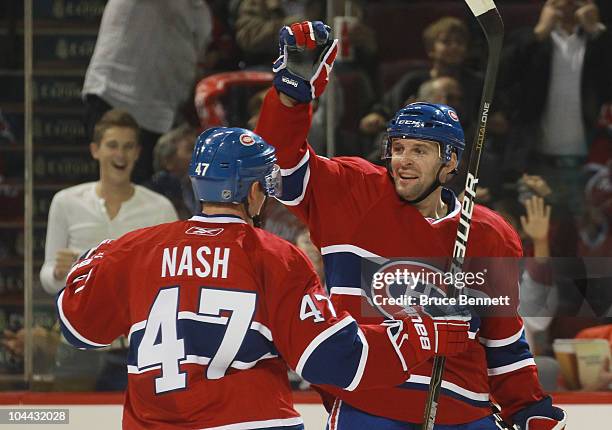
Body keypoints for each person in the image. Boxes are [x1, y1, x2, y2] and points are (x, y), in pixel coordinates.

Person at [255, 20, 567, 429]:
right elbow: (278, 164)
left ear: (451, 163)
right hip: (369, 403)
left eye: (419, 150)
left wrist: (526, 406)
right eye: (398, 148)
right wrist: (291, 96)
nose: (402, 160)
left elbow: (503, 340)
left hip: (463, 409)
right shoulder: (353, 192)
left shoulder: (489, 234)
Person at [56, 127, 477, 429]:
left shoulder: (136, 248)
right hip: (251, 423)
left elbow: (79, 329)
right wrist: (420, 335)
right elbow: (332, 360)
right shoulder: (275, 257)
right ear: (253, 191)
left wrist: (88, 263)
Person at [40, 109, 178, 391]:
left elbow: (174, 280)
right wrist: (57, 272)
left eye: (128, 147)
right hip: (76, 344)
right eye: (112, 145)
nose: (120, 155)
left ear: (138, 152)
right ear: (95, 150)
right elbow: (46, 277)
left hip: (139, 345)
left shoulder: (160, 208)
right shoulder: (65, 202)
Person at [82, 0, 213, 182]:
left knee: (149, 200)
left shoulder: (201, 11)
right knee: (117, 190)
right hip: (116, 99)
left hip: (163, 117)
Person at [500, 0, 612, 212]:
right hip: (536, 164)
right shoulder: (529, 39)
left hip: (592, 167)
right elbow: (501, 76)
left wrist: (597, 31)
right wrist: (539, 33)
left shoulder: (601, 40)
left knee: (586, 241)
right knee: (536, 240)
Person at [147, 124, 199, 219]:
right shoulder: (153, 195)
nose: (199, 154)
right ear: (168, 161)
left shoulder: (204, 187)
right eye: (191, 149)